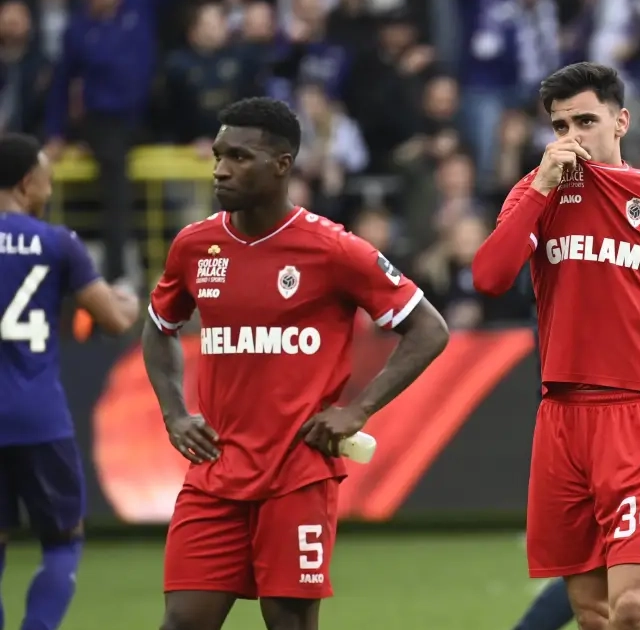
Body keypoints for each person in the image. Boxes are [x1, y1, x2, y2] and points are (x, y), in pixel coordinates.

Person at [143, 97, 450, 630]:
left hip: (296, 475)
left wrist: (358, 410)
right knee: (182, 622)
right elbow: (158, 327)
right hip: (215, 472)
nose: (221, 169)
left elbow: (428, 329)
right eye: (219, 155)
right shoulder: (195, 245)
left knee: (288, 623)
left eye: (239, 157)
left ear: (282, 165)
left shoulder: (333, 249)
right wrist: (173, 413)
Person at [471, 62, 640, 630]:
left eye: (586, 121)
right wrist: (540, 188)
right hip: (562, 420)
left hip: (639, 416)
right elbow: (490, 278)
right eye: (560, 125)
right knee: (592, 614)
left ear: (621, 122)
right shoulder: (537, 193)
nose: (572, 137)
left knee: (631, 609)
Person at [0, 133, 139, 630]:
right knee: (63, 539)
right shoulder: (58, 243)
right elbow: (114, 321)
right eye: (47, 179)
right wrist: (128, 299)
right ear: (26, 183)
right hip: (39, 417)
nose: (50, 188)